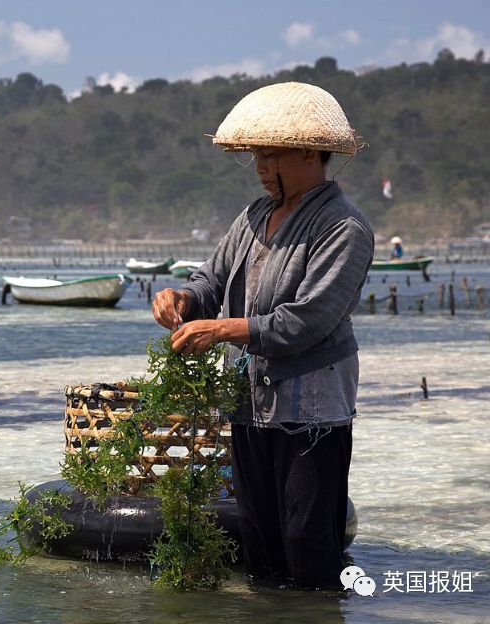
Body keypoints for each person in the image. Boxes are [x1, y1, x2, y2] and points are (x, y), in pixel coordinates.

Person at [151, 82, 374, 590]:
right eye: (255, 156)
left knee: (307, 543)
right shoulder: (253, 217)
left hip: (312, 411)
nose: (259, 167)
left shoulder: (344, 228)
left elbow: (308, 320)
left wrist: (223, 329)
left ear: (308, 155)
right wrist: (183, 300)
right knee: (261, 543)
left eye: (270, 156)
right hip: (250, 403)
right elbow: (211, 280)